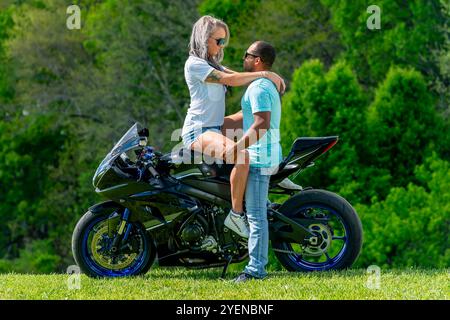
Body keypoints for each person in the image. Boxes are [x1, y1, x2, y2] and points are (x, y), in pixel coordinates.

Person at [181, 16, 285, 238]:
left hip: (216, 126)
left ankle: (270, 184)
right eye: (218, 41)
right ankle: (236, 216)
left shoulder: (212, 64)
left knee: (255, 126)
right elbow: (231, 80)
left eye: (223, 42)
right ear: (203, 39)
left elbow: (235, 76)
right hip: (199, 130)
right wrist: (265, 73)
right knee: (243, 156)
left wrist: (267, 81)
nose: (221, 47)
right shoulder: (195, 64)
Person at [222, 41, 282, 282]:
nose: (243, 58)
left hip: (259, 158)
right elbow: (245, 117)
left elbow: (261, 124)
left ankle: (256, 270)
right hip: (264, 154)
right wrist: (218, 124)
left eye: (247, 55)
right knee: (257, 211)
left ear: (257, 60)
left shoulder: (258, 87)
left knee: (256, 216)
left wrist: (237, 147)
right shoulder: (262, 85)